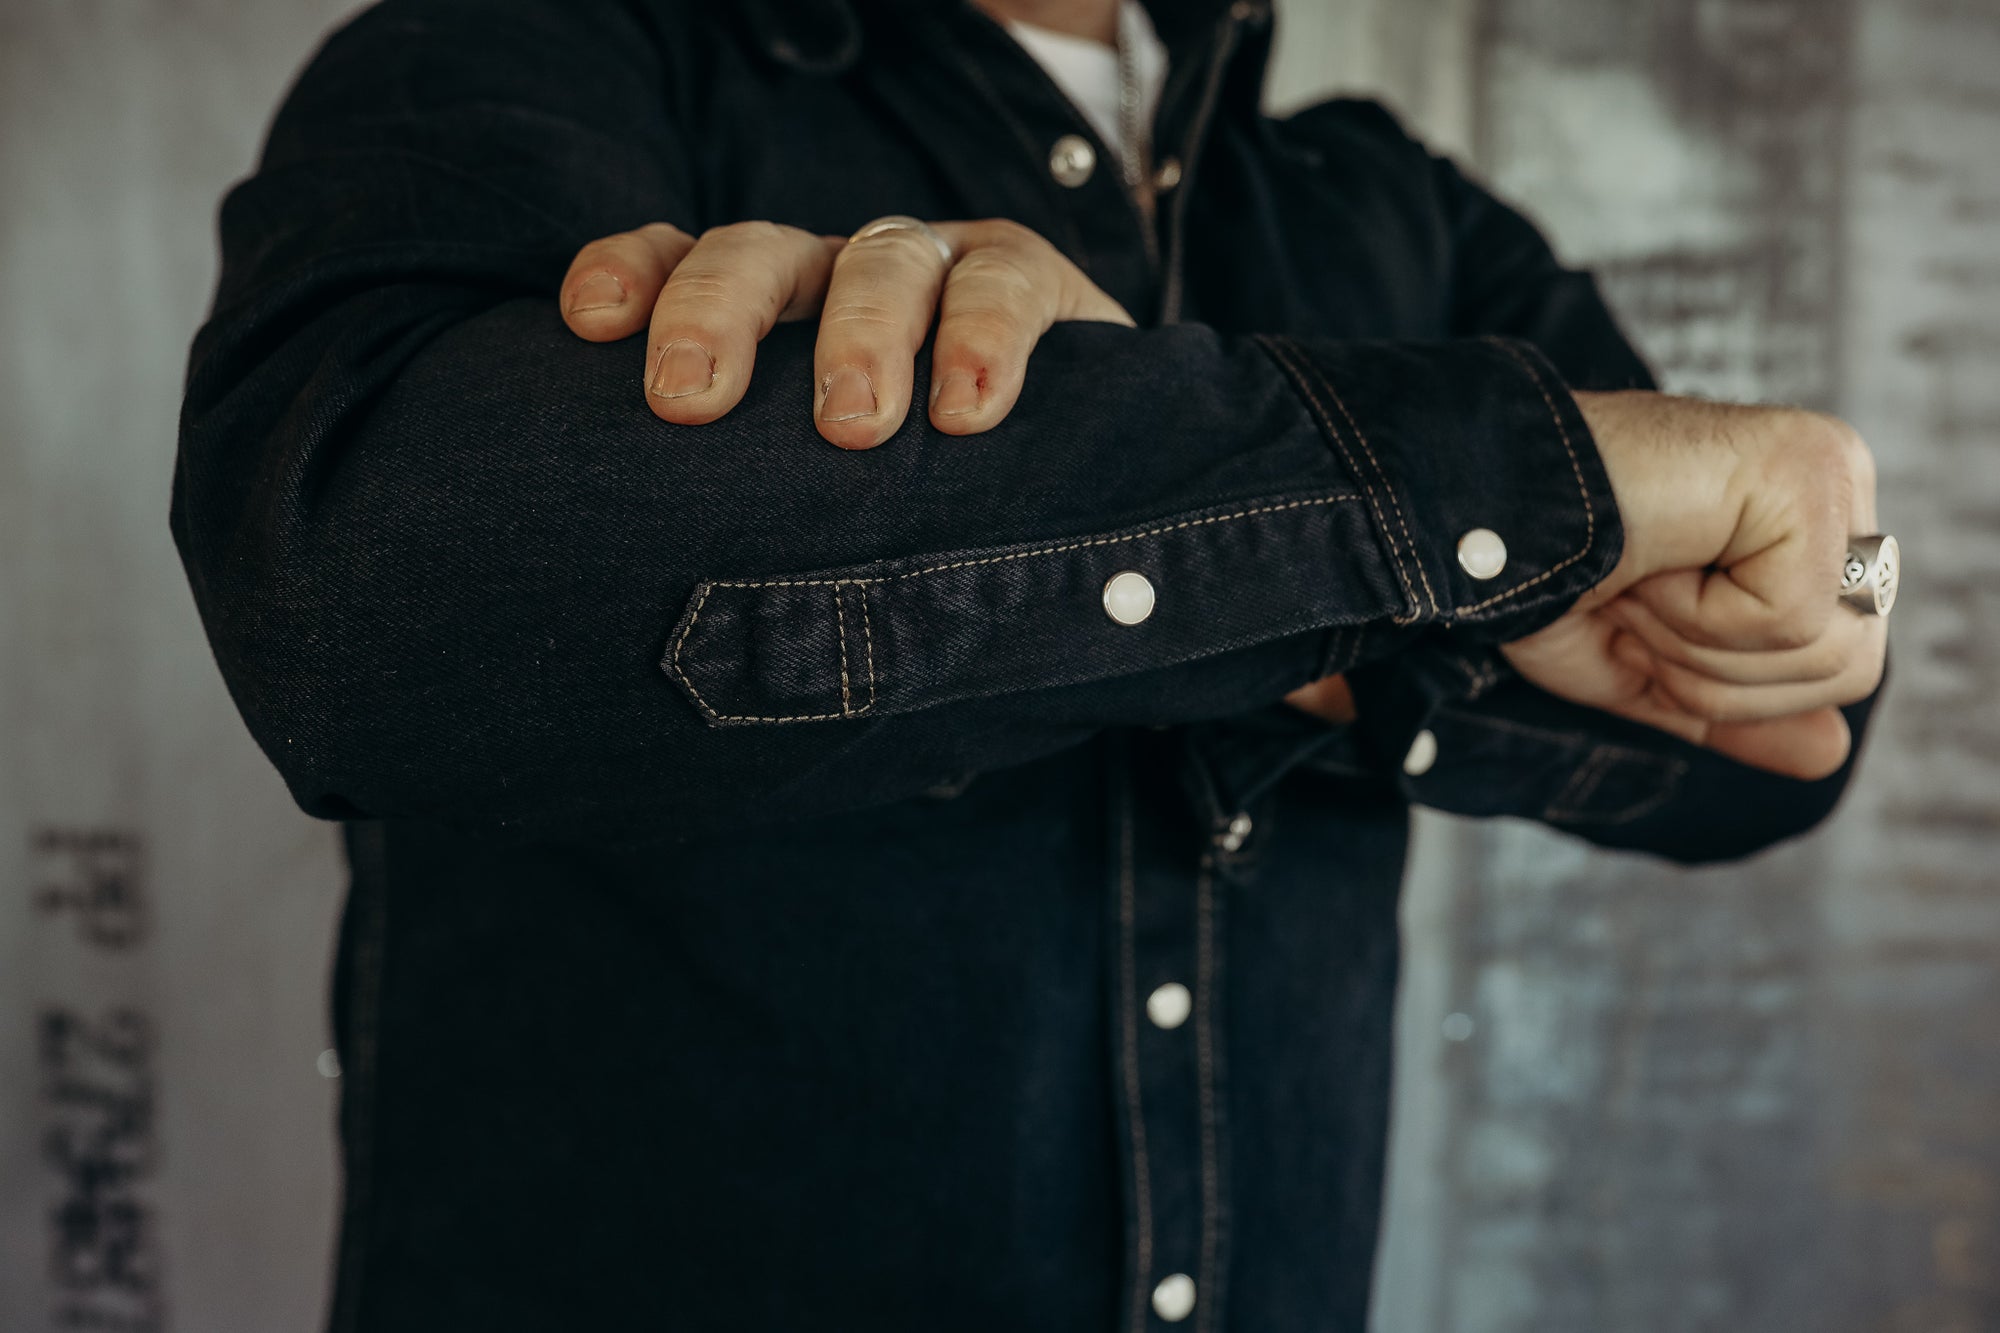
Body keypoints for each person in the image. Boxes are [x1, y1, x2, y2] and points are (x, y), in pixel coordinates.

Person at [172, 0, 1890, 1328]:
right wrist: (1400, 548)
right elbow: (371, 594)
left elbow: (1784, 729)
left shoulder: (1387, 209)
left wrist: (1295, 577)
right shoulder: (539, 52)